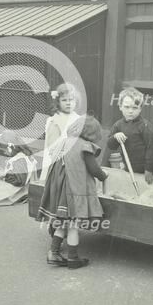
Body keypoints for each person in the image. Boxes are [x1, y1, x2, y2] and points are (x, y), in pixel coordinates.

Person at [36, 115, 108, 269]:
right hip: (71, 190)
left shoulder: (63, 143)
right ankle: (73, 258)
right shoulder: (84, 146)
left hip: (58, 190)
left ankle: (53, 252)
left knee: (63, 223)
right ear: (92, 133)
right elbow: (94, 169)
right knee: (73, 226)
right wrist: (103, 176)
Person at [107, 87, 153, 184]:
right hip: (129, 167)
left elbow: (152, 148)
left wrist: (149, 169)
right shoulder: (118, 125)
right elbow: (110, 145)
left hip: (145, 169)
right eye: (127, 107)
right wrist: (115, 137)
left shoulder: (144, 126)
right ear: (120, 106)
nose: (130, 111)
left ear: (140, 109)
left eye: (134, 108)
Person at [39, 83, 81, 181]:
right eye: (64, 100)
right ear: (58, 102)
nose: (68, 103)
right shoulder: (53, 120)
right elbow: (50, 145)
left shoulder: (78, 120)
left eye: (71, 100)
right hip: (54, 159)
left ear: (76, 101)